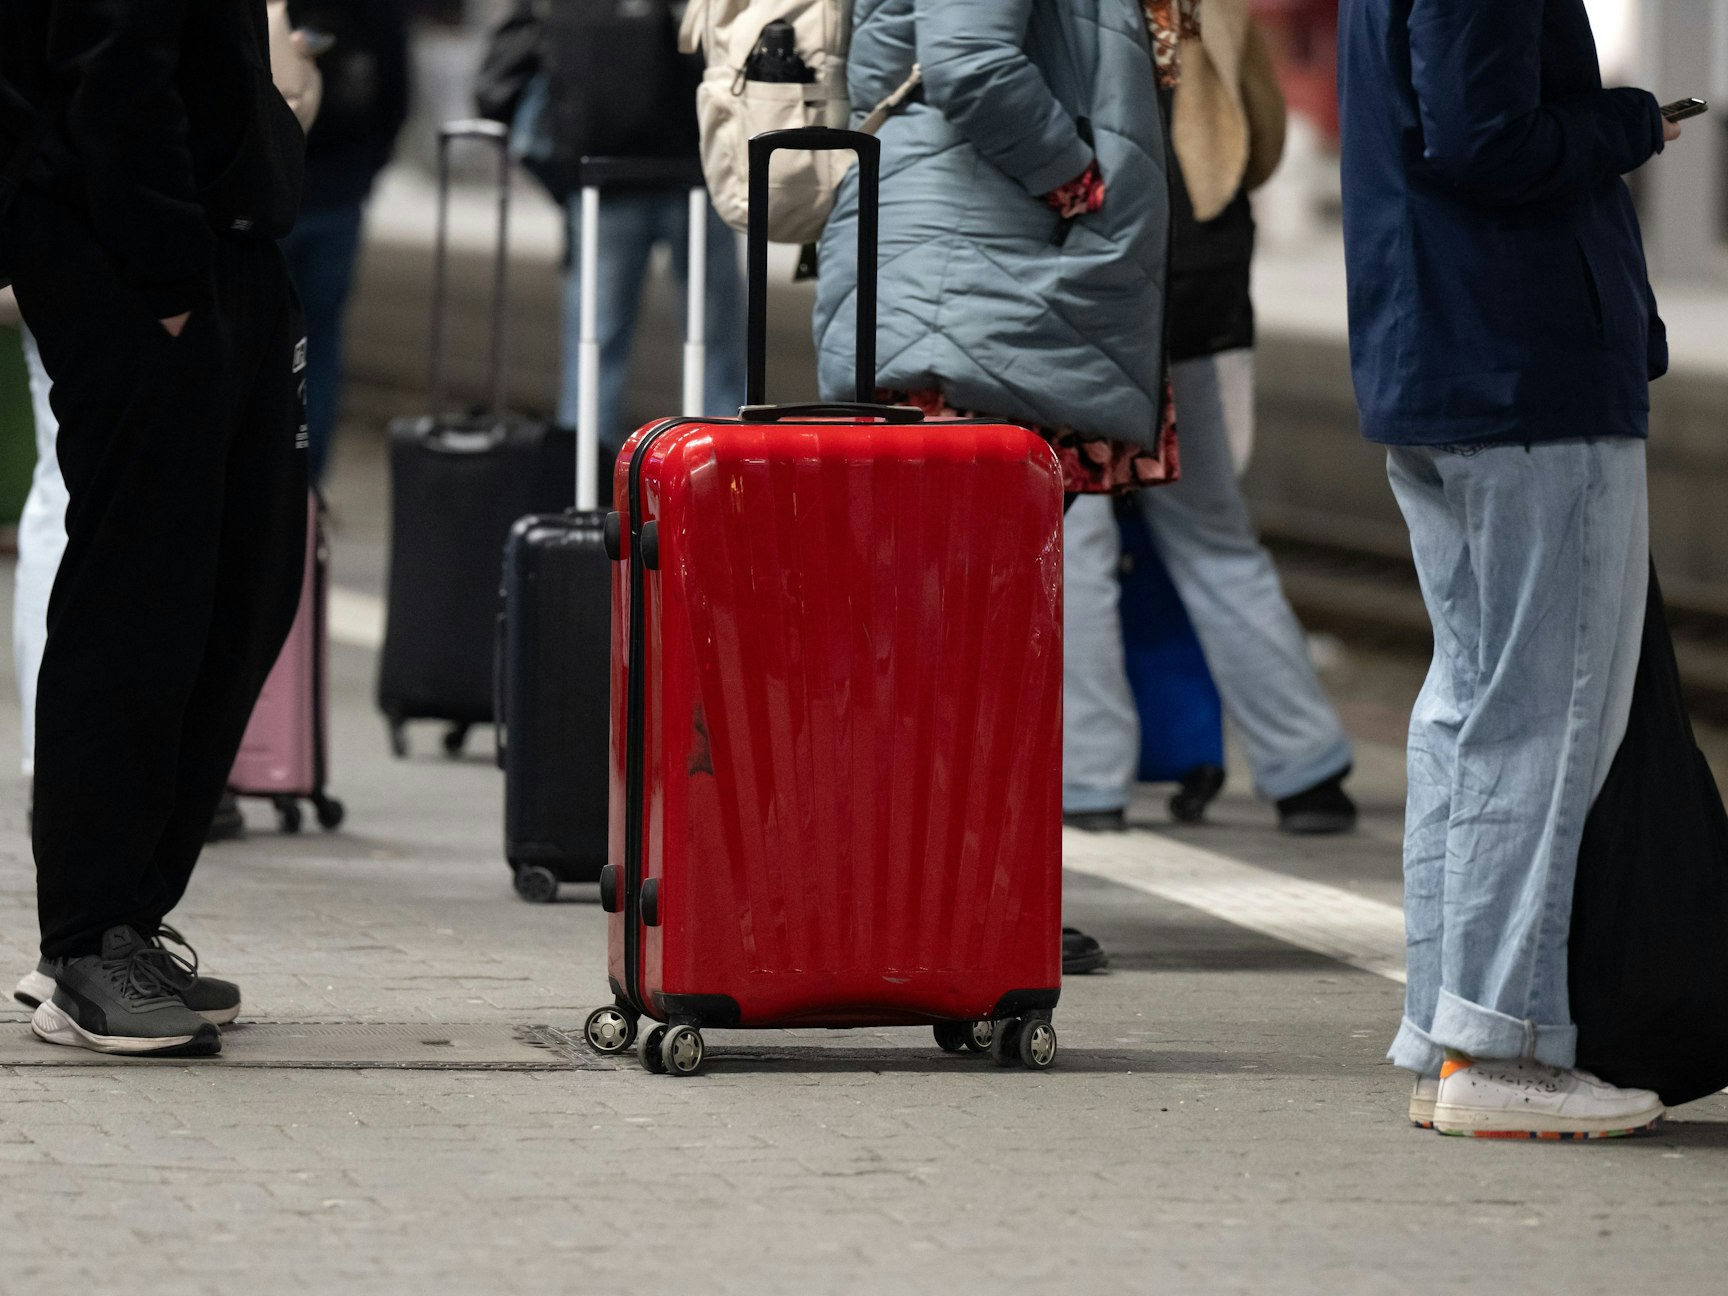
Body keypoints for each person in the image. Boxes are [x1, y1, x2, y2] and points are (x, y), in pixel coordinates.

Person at [1339, 0, 1676, 1137]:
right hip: (1521, 359)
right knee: (1547, 717)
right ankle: (1505, 1049)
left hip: (1437, 351)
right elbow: (1485, 138)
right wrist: (1629, 125)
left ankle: (1447, 1031)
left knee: (1468, 705)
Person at [815, 0, 1178, 975]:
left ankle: (957, 888)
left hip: (992, 277)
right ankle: (934, 896)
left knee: (973, 625)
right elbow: (971, 62)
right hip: (975, 278)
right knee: (955, 627)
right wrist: (1075, 178)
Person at [0, 0, 310, 1057]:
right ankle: (86, 942)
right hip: (140, 256)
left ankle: (120, 915)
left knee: (243, 580)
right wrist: (170, 267)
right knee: (141, 593)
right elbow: (110, 62)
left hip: (215, 246)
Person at [1063, 0, 1358, 839]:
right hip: (1204, 286)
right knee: (1216, 535)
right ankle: (1308, 770)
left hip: (1096, 286)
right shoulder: (1213, 8)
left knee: (1075, 536)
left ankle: (1088, 778)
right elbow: (1262, 138)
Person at [280, 0, 410, 486]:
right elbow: (395, 93)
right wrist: (364, 170)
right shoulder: (373, 13)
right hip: (338, 195)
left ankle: (263, 481)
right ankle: (309, 484)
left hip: (269, 196)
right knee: (319, 347)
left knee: (255, 341)